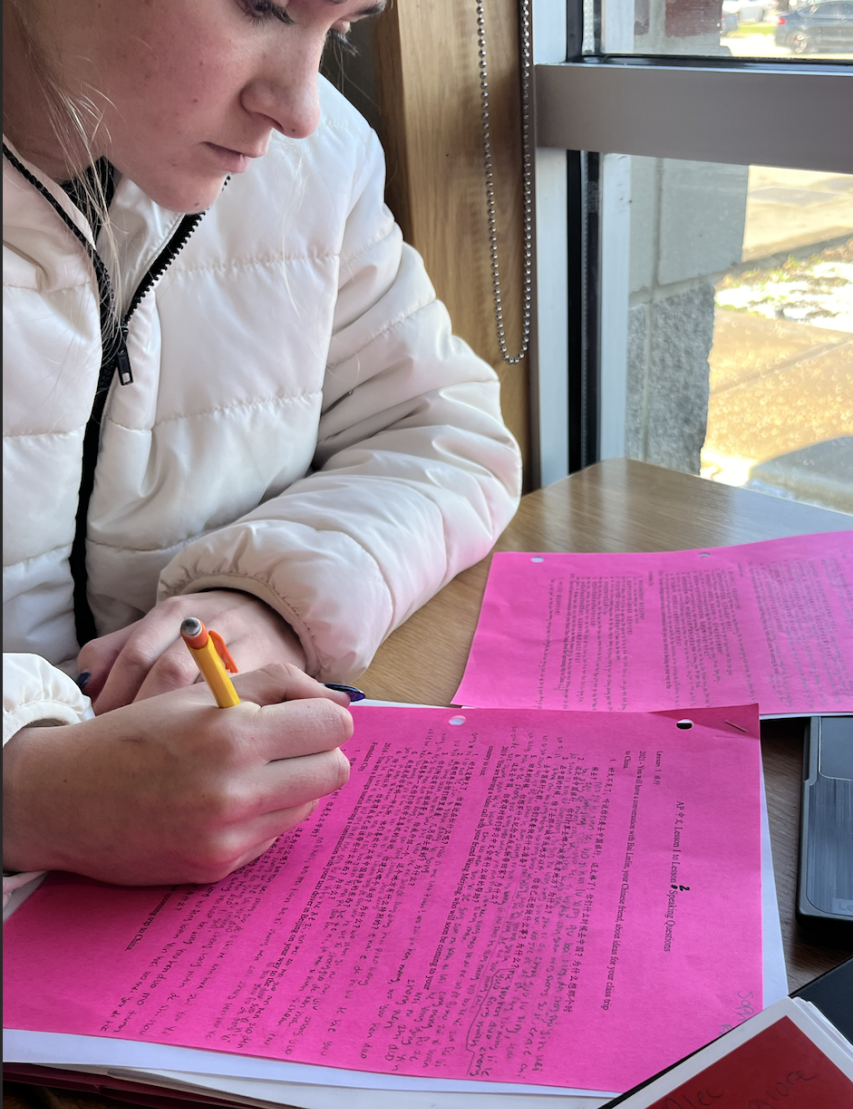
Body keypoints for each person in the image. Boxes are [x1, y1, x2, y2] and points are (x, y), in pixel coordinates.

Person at [2, 0, 521, 896]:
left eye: (343, 28)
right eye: (263, 6)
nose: (301, 108)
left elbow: (441, 433)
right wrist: (25, 800)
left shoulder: (320, 164)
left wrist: (270, 595)